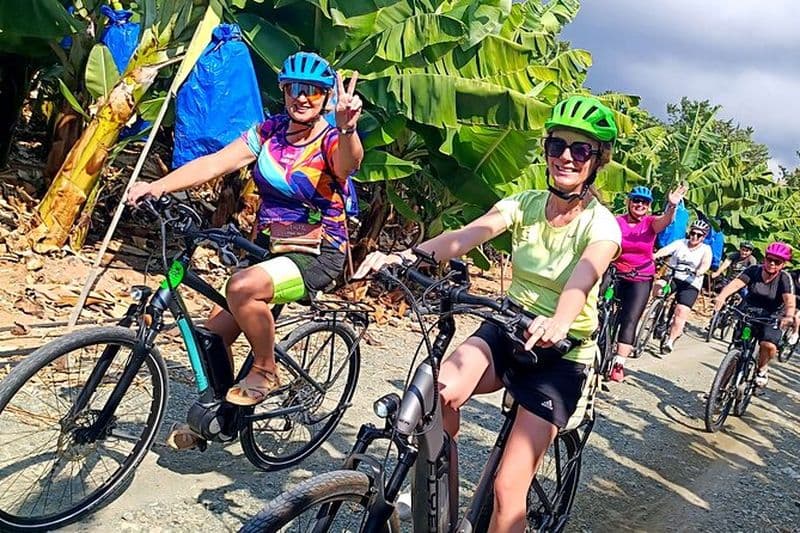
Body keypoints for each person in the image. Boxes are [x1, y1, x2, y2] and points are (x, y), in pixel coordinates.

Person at [355, 95, 621, 533]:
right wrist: (407, 256)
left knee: (507, 493)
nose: (566, 158)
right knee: (436, 395)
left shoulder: (601, 225)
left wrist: (558, 320)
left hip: (560, 356)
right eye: (557, 146)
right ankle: (440, 502)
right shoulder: (525, 204)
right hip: (507, 329)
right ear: (546, 150)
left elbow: (584, 277)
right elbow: (468, 234)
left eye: (581, 150)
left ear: (597, 161)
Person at [127, 52, 364, 436]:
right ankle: (221, 421)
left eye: (314, 92)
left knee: (240, 288)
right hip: (272, 251)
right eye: (294, 89)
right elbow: (215, 163)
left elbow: (347, 165)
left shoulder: (332, 139)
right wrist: (155, 186)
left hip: (319, 254)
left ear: (325, 98)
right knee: (211, 337)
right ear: (284, 91)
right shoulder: (269, 132)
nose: (302, 98)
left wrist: (348, 128)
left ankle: (265, 369)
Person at [606, 184, 687, 382]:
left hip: (640, 277)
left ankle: (618, 364)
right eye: (636, 200)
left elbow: (665, 221)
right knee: (598, 304)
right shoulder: (617, 222)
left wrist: (672, 206)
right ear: (629, 202)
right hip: (616, 271)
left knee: (630, 319)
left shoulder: (650, 223)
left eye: (644, 202)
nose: (639, 205)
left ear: (649, 206)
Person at [714, 242, 796, 387]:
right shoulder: (753, 270)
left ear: (783, 264)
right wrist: (722, 297)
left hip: (772, 315)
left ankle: (762, 369)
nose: (772, 263)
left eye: (777, 262)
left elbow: (789, 302)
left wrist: (789, 316)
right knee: (738, 347)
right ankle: (720, 389)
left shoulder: (784, 278)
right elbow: (735, 284)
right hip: (749, 309)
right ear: (764, 258)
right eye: (769, 259)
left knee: (768, 344)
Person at [652, 219, 713, 353]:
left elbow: (705, 264)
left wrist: (699, 271)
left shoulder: (705, 249)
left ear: (703, 237)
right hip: (673, 276)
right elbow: (667, 250)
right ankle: (657, 311)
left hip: (690, 283)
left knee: (681, 312)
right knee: (658, 287)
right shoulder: (681, 243)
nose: (694, 237)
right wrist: (655, 255)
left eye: (699, 235)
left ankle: (670, 341)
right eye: (692, 233)